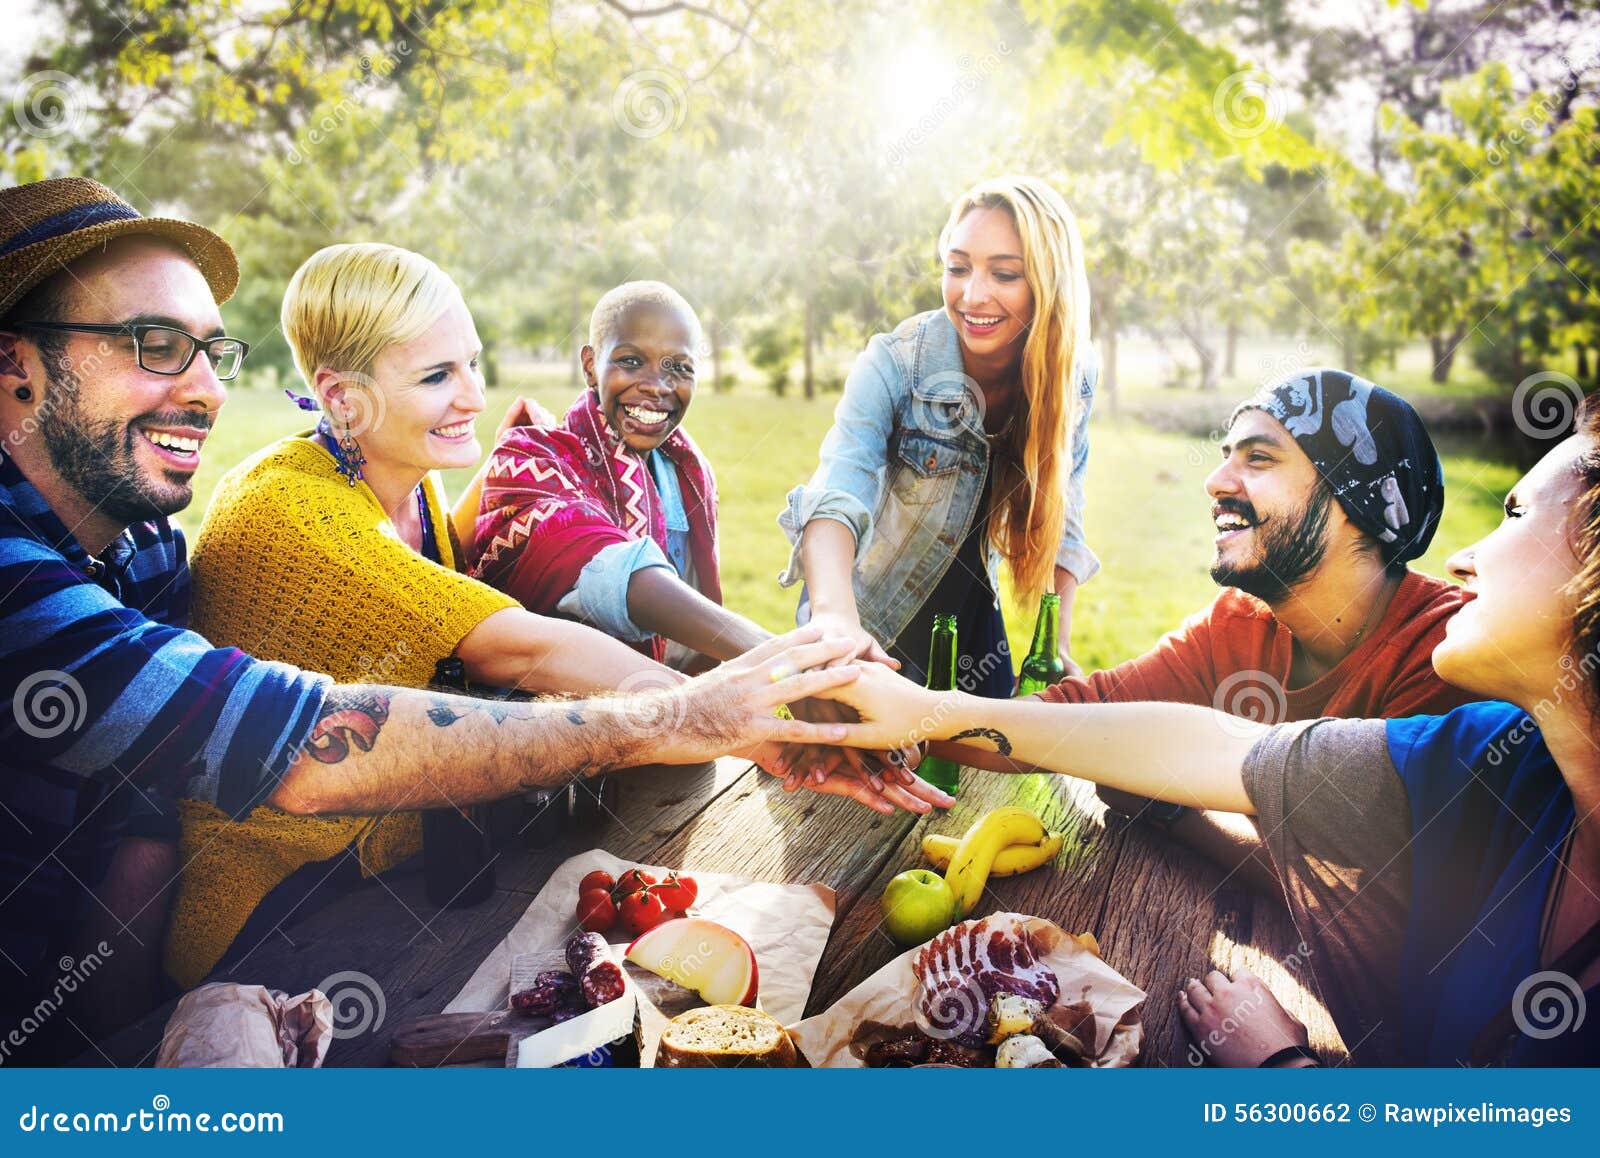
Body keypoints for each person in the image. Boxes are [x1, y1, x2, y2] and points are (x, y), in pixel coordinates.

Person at [0, 178, 914, 1062]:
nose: (205, 389)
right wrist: (721, 710)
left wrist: (111, 1040)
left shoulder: (145, 542)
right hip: (276, 913)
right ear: (14, 362)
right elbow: (493, 657)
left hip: (337, 891)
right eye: (154, 344)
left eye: (210, 350)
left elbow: (142, 803)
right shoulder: (280, 514)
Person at [817, 399, 1600, 1065]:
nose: (1469, 557)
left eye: (1517, 514)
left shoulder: (1451, 681)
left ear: (1356, 501)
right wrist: (915, 707)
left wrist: (1285, 1067)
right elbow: (1188, 743)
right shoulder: (1494, 759)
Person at [935, 369, 1478, 888]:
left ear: (1351, 501)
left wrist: (1171, 808)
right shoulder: (1237, 620)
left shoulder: (1449, 654)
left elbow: (1359, 886)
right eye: (1225, 458)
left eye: (1259, 458)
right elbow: (1079, 713)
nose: (1214, 482)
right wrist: (908, 724)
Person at [778, 175, 1098, 713]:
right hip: (873, 628)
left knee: (982, 787)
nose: (973, 295)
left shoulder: (1071, 376)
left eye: (1004, 273)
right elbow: (837, 491)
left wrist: (1056, 646)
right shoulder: (896, 364)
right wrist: (833, 620)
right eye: (958, 268)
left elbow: (1064, 514)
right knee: (847, 794)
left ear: (1049, 283)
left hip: (972, 627)